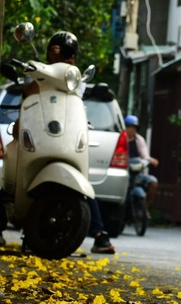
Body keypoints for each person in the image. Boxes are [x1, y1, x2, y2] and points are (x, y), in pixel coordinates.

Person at [11, 32, 114, 254]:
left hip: (65, 137)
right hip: (39, 133)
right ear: (49, 52)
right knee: (9, 165)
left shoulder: (74, 79)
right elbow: (27, 97)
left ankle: (99, 233)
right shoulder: (38, 74)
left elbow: (73, 98)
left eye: (70, 54)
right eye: (58, 50)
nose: (65, 58)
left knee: (82, 183)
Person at [124, 115, 159, 206]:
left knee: (153, 182)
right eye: (129, 127)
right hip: (124, 171)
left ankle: (146, 206)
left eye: (133, 127)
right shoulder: (121, 139)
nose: (131, 130)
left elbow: (145, 155)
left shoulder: (139, 140)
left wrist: (150, 160)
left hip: (136, 172)